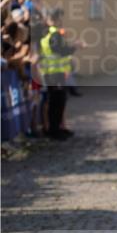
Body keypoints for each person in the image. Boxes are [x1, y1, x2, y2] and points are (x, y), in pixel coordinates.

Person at [38, 8, 79, 140]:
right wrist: (75, 46)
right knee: (57, 102)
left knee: (58, 101)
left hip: (53, 73)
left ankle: (57, 128)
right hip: (54, 74)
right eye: (60, 18)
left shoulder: (49, 34)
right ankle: (54, 130)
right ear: (55, 19)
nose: (62, 21)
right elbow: (60, 51)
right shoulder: (55, 34)